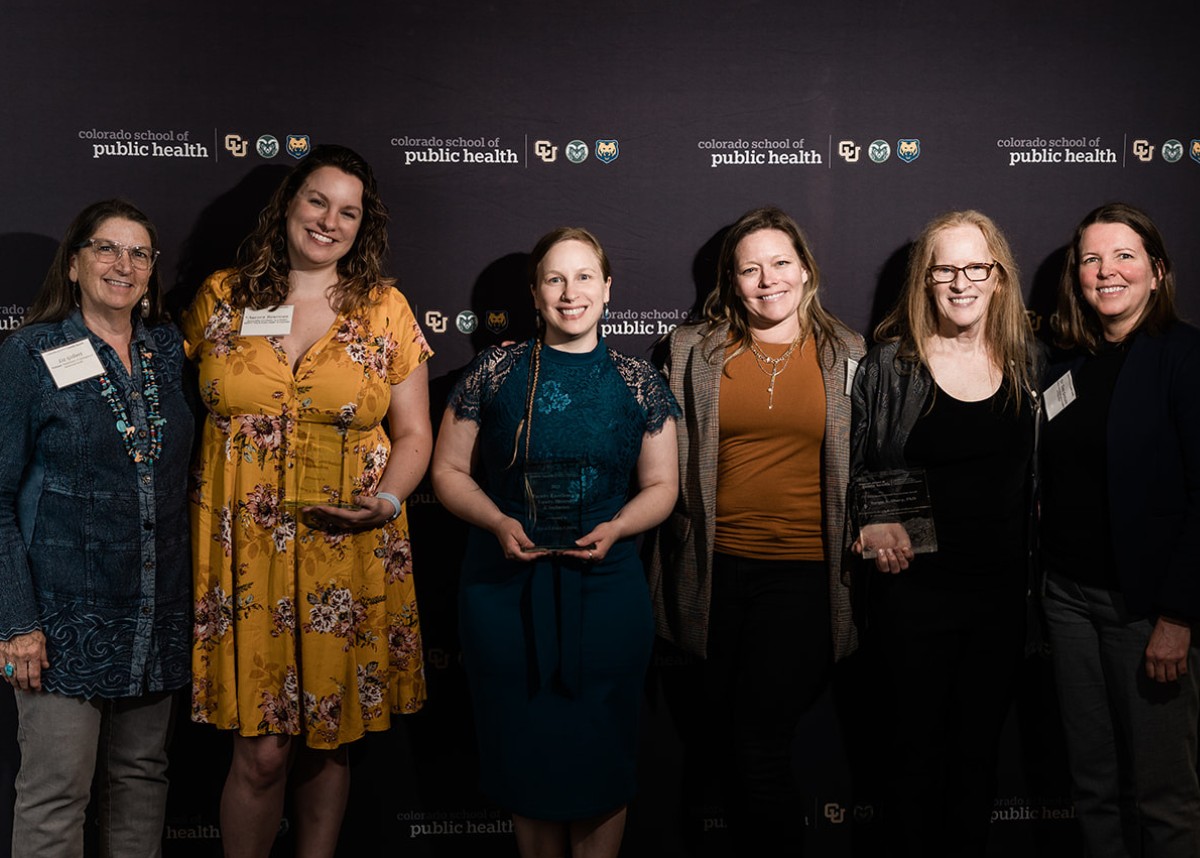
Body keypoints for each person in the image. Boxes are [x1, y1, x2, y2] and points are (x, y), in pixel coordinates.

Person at [183, 144, 433, 857]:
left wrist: (384, 504)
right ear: (289, 204)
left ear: (364, 225)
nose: (329, 221)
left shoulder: (384, 309)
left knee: (329, 740)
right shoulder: (222, 298)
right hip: (246, 558)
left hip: (346, 546)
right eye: (318, 201)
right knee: (260, 755)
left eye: (348, 211)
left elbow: (415, 432)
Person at [431, 226, 679, 858]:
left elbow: (662, 486)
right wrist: (496, 521)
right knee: (527, 759)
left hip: (606, 589)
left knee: (602, 757)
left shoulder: (640, 381)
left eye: (585, 277)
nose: (572, 293)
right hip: (505, 585)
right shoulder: (493, 371)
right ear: (536, 294)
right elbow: (448, 473)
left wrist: (619, 526)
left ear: (608, 288)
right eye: (555, 279)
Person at [645, 205, 865, 854]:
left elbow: (878, 459)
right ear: (730, 282)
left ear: (806, 271)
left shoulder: (847, 353)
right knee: (726, 745)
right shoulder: (693, 352)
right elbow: (653, 447)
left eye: (779, 263)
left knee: (757, 740)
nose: (767, 280)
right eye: (750, 269)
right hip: (712, 575)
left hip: (805, 576)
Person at [0, 199, 192, 856]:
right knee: (56, 793)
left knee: (142, 778)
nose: (123, 264)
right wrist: (15, 622)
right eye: (106, 248)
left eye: (139, 253)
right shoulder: (31, 353)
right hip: (58, 619)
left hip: (152, 613)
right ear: (76, 262)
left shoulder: (169, 350)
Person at [849, 210, 1041, 856]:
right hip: (912, 598)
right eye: (945, 270)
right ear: (925, 282)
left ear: (999, 278)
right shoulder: (888, 368)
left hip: (999, 603)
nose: (961, 282)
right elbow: (851, 467)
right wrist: (870, 519)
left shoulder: (1030, 367)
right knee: (911, 765)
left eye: (975, 268)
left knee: (976, 764)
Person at [1041, 202, 1200, 856]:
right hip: (1068, 602)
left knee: (1164, 792)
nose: (1107, 271)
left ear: (1158, 272)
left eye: (1125, 255)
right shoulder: (1064, 363)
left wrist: (1178, 616)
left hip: (1148, 612)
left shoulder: (1185, 357)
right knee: (1094, 785)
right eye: (1091, 259)